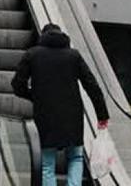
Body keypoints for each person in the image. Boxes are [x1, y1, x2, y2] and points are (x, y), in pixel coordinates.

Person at [12, 22, 110, 186]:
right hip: (72, 116)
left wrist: (35, 96)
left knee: (47, 163)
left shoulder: (32, 55)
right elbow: (92, 86)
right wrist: (102, 115)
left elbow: (17, 85)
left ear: (43, 36)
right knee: (76, 157)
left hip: (45, 115)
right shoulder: (74, 56)